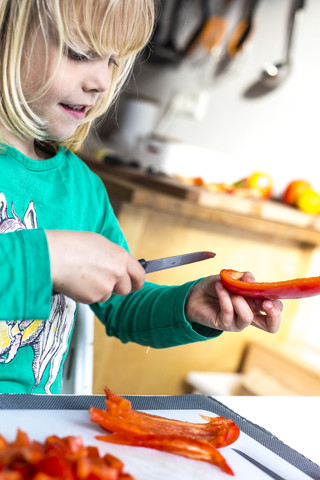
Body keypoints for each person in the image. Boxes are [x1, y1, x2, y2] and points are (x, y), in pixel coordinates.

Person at [0, 0, 283, 394]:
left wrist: (189, 307)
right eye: (80, 53)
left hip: (28, 432)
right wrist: (49, 258)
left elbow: (122, 304)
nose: (100, 81)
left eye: (113, 60)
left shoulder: (83, 191)